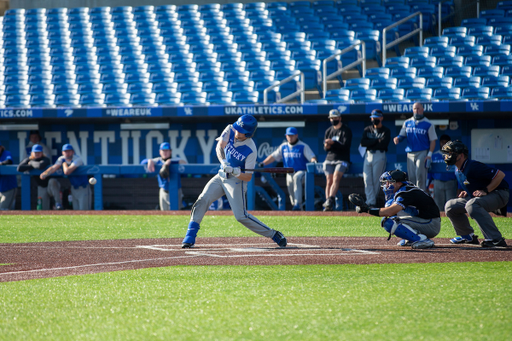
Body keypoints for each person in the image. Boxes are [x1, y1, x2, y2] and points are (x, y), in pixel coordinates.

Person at [182, 114, 287, 248]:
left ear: (248, 133)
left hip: (236, 181)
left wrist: (236, 172)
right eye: (237, 128)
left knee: (241, 216)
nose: (237, 132)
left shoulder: (251, 149)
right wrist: (224, 162)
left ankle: (273, 234)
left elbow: (248, 177)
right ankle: (190, 237)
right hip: (221, 176)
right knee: (203, 199)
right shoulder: (230, 129)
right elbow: (220, 147)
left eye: (241, 131)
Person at [442, 140, 509, 247]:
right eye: (447, 154)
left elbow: (500, 175)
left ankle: (495, 239)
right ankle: (467, 236)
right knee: (451, 206)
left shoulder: (473, 166)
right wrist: (467, 191)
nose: (448, 156)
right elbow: (475, 182)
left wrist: (485, 190)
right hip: (484, 196)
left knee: (472, 204)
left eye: (451, 153)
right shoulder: (457, 169)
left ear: (461, 155)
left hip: (499, 193)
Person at [355, 170, 441, 249]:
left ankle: (421, 239)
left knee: (389, 223)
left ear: (399, 183)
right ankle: (412, 236)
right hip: (425, 220)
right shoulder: (405, 189)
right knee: (390, 205)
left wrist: (367, 210)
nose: (387, 185)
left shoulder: (405, 193)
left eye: (390, 182)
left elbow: (389, 211)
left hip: (431, 224)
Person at [260, 127, 317, 211]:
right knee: (292, 195)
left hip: (301, 172)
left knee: (296, 178)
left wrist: (314, 162)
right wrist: (263, 163)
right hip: (289, 173)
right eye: (288, 135)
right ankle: (297, 207)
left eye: (292, 135)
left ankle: (298, 204)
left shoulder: (303, 146)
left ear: (296, 135)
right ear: (286, 136)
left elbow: (312, 157)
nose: (290, 137)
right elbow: (273, 156)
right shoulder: (283, 146)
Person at [393, 102, 437, 191]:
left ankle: (420, 197)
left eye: (418, 108)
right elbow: (401, 135)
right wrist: (397, 138)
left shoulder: (428, 123)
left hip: (422, 152)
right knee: (412, 177)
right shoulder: (407, 122)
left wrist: (429, 154)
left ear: (422, 109)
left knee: (420, 175)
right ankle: (413, 197)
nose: (416, 111)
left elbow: (433, 140)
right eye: (414, 109)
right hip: (410, 152)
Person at [40, 144, 91, 210]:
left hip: (83, 188)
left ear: (73, 152)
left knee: (84, 211)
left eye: (69, 151)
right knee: (76, 211)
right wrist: (45, 173)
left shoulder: (77, 159)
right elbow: (53, 168)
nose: (67, 153)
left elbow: (67, 171)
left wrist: (64, 164)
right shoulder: (61, 158)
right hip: (73, 188)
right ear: (62, 152)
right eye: (65, 151)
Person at [322, 109, 352, 211]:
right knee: (329, 180)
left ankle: (330, 200)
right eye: (332, 118)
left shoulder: (346, 130)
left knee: (336, 177)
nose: (333, 120)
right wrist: (327, 144)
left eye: (335, 118)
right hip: (330, 158)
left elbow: (345, 146)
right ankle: (328, 203)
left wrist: (333, 143)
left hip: (342, 158)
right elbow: (326, 149)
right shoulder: (328, 131)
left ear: (340, 118)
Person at [360, 109, 391, 208]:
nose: (374, 119)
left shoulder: (386, 130)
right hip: (368, 155)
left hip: (379, 154)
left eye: (376, 117)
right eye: (373, 117)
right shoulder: (367, 129)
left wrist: (372, 142)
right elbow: (363, 143)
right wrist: (376, 141)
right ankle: (370, 202)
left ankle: (371, 202)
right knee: (367, 179)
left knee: (376, 180)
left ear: (381, 118)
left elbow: (383, 144)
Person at [143, 142, 187, 211]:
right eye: (163, 151)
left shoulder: (175, 160)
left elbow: (184, 162)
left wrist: (169, 162)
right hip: (163, 191)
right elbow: (142, 163)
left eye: (167, 151)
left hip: (175, 191)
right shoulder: (158, 161)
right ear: (160, 152)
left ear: (170, 151)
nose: (165, 153)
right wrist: (149, 160)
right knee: (164, 214)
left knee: (176, 213)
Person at [17, 144, 63, 210]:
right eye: (35, 152)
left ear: (42, 152)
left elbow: (40, 165)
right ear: (32, 153)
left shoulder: (45, 159)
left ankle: (58, 203)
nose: (37, 154)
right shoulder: (28, 159)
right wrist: (31, 164)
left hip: (50, 185)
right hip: (41, 186)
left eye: (39, 152)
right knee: (43, 208)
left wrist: (31, 163)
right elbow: (19, 168)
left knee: (52, 181)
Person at [428, 134, 457, 212]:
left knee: (451, 205)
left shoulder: (453, 155)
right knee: (439, 205)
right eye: (442, 142)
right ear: (440, 143)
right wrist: (427, 185)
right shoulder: (434, 155)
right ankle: (440, 222)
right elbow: (430, 172)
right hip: (438, 182)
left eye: (446, 142)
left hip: (451, 182)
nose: (444, 144)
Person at [0, 143, 18, 210]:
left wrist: (1, 163)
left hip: (9, 187)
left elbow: (9, 161)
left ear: (1, 147)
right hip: (1, 189)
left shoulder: (6, 153)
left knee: (3, 209)